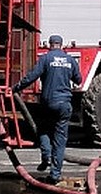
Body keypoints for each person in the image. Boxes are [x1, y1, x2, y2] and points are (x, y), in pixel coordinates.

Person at [12, 34, 82, 184]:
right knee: (60, 139)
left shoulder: (45, 59)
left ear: (49, 44)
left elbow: (31, 77)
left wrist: (16, 88)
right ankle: (55, 174)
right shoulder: (69, 60)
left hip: (48, 103)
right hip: (64, 105)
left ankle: (46, 157)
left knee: (43, 130)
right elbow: (78, 80)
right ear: (61, 45)